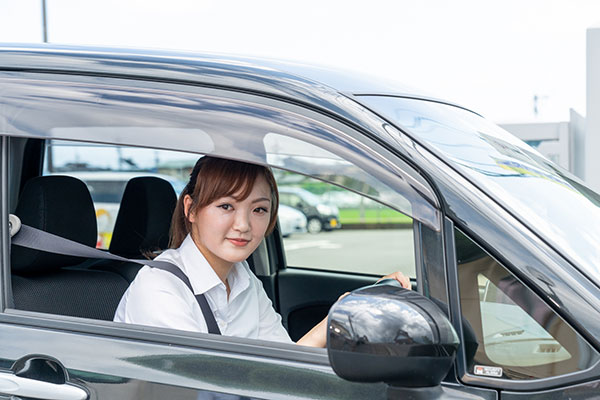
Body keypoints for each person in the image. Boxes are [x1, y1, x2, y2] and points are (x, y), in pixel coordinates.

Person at [114, 156, 410, 347]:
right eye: (226, 206)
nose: (243, 225)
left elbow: (282, 367)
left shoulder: (244, 281)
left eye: (258, 209)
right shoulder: (158, 289)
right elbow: (199, 389)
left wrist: (345, 313)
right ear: (191, 209)